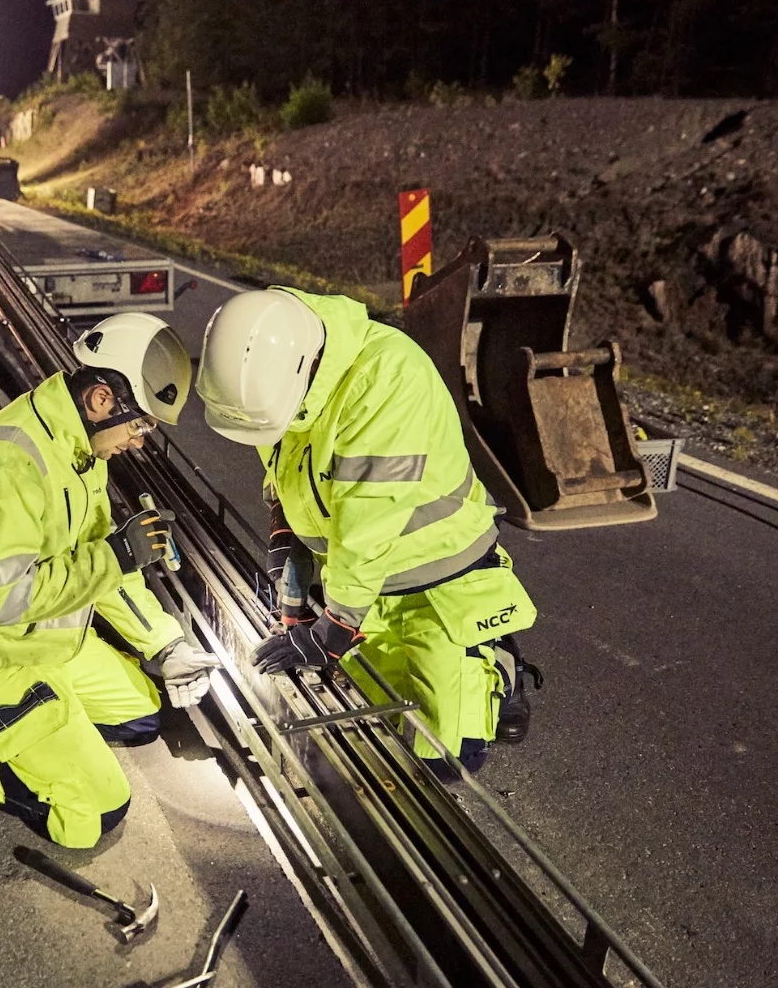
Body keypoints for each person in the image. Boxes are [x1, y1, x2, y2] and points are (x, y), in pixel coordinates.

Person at [0, 313, 220, 847]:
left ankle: (43, 725)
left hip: (46, 642)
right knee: (94, 814)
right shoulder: (4, 464)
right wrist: (116, 554)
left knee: (142, 716)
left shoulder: (80, 451)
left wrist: (166, 646)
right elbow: (4, 602)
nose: (140, 441)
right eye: (141, 424)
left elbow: (103, 567)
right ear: (100, 400)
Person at [197, 288, 542, 776]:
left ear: (305, 368)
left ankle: (501, 663)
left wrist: (334, 627)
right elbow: (285, 468)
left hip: (440, 581)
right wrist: (286, 538)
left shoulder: (386, 378)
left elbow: (368, 522)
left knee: (445, 760)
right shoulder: (279, 377)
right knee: (373, 729)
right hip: (364, 584)